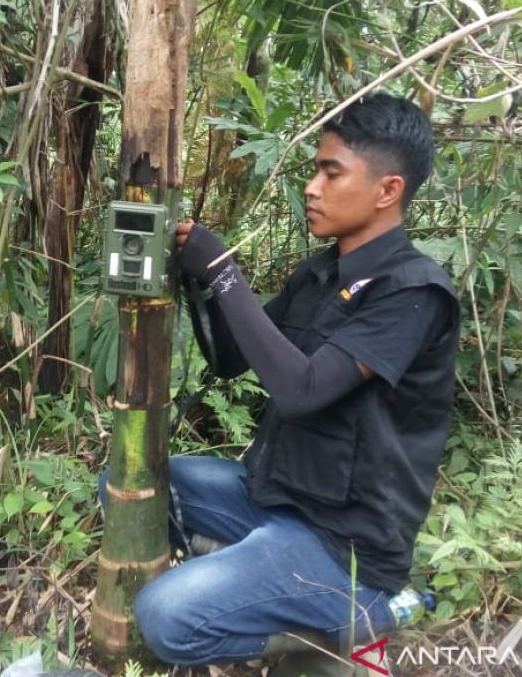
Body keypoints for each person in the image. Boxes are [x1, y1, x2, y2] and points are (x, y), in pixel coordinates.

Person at [98, 93, 460, 675]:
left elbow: (302, 389)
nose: (312, 187)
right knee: (132, 483)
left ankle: (352, 619)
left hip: (344, 544)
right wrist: (200, 284)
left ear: (387, 190)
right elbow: (231, 360)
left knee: (165, 615)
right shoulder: (320, 273)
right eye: (315, 170)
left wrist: (223, 271)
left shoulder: (413, 293)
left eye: (331, 172)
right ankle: (253, 581)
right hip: (276, 498)